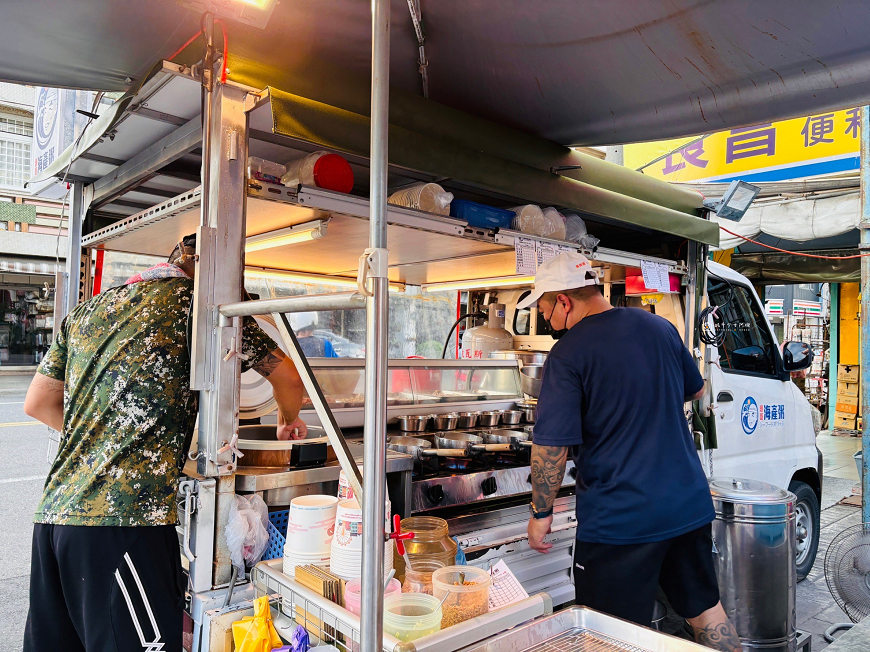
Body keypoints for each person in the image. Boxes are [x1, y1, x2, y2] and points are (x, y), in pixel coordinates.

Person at [22, 234, 307, 652]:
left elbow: (38, 403)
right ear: (219, 272)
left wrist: (107, 440)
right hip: (123, 526)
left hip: (53, 520)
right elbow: (288, 378)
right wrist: (288, 418)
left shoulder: (90, 309)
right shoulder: (203, 307)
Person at [521, 252, 741, 652]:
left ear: (564, 302)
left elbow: (550, 448)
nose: (545, 319)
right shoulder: (660, 327)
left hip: (621, 520)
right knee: (707, 611)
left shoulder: (568, 354)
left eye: (544, 308)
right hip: (686, 504)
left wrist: (540, 513)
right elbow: (696, 390)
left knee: (607, 635)